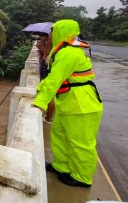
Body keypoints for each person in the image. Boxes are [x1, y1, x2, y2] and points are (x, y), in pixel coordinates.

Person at [32, 19, 103, 188]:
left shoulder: (68, 54)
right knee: (59, 135)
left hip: (81, 106)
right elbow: (53, 78)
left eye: (53, 33)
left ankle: (82, 177)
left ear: (61, 33)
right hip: (68, 102)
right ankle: (61, 166)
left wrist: (40, 102)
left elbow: (55, 80)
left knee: (81, 143)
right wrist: (40, 86)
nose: (49, 37)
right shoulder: (63, 52)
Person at [35, 34, 55, 124]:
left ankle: (49, 117)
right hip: (46, 68)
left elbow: (47, 58)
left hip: (48, 70)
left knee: (50, 94)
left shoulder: (51, 46)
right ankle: (48, 116)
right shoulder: (51, 45)